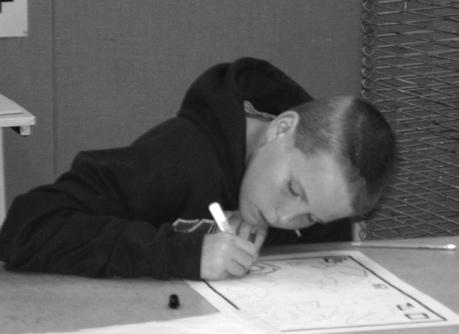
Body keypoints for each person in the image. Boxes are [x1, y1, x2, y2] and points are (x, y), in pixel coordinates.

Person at [0, 57, 396, 281]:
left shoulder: (325, 194)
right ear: (281, 129)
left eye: (310, 217)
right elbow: (27, 227)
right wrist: (182, 254)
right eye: (293, 190)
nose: (284, 217)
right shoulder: (180, 155)